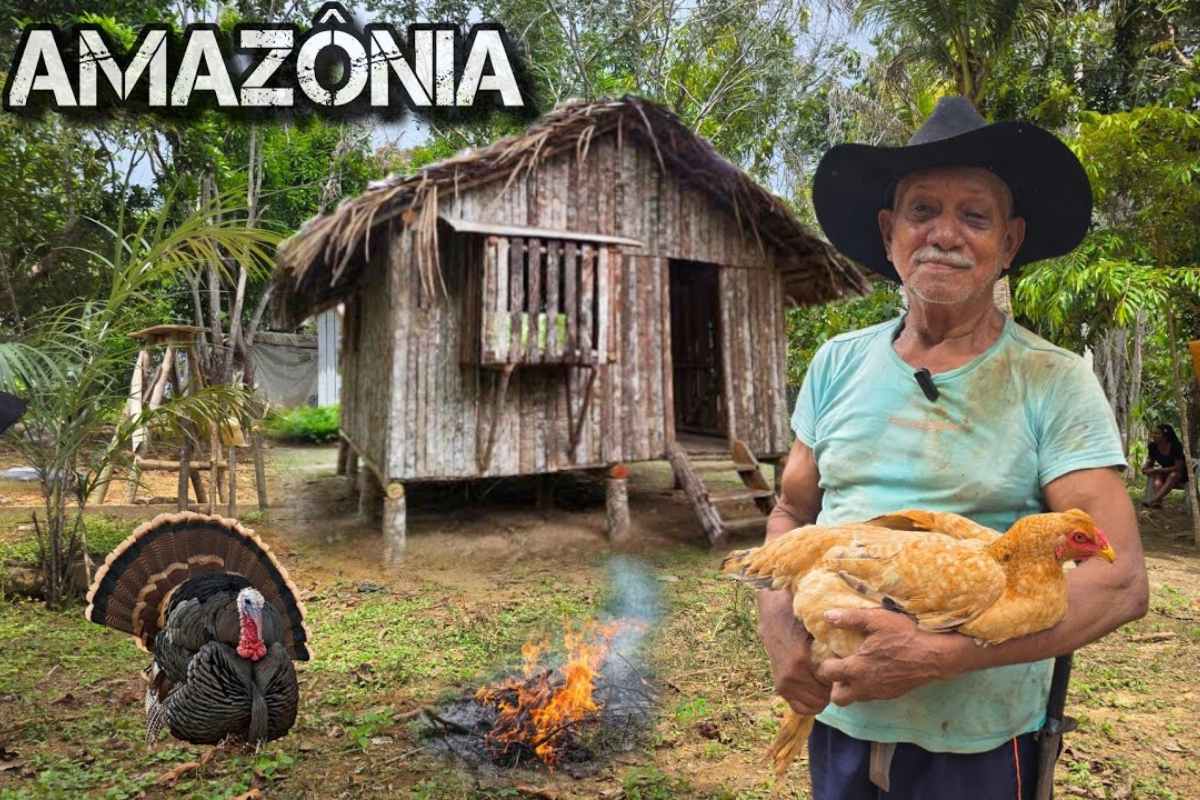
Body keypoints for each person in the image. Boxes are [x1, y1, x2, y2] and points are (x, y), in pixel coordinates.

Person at [758, 96, 1149, 799]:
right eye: (922, 210)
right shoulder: (836, 363)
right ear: (890, 232)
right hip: (841, 720)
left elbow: (1119, 583)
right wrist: (778, 627)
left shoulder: (1052, 381)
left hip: (977, 742)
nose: (944, 234)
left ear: (1009, 242)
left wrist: (938, 656)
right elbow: (792, 512)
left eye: (974, 216)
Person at [1141, 424, 1187, 508]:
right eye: (1153, 433)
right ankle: (1157, 502)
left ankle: (1153, 500)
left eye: (1157, 433)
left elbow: (1178, 468)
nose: (1153, 435)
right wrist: (1145, 468)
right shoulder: (1152, 446)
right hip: (1165, 472)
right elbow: (1150, 461)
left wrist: (1157, 470)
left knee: (1173, 475)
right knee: (1157, 474)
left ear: (1165, 436)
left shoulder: (1176, 446)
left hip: (1181, 474)